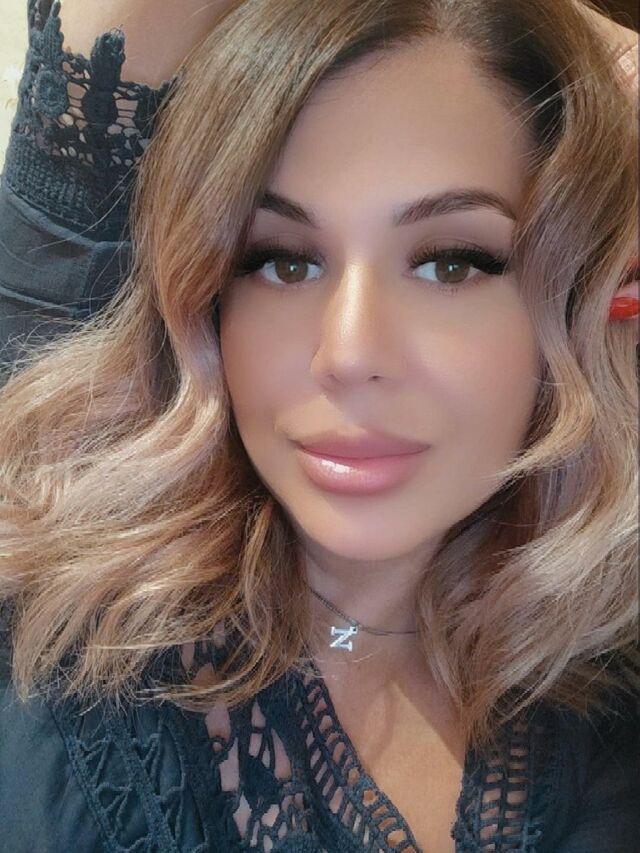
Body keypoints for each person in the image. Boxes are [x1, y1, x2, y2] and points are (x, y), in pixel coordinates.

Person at [0, 0, 638, 850]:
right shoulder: (55, 587)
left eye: (451, 263)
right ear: (207, 298)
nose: (349, 353)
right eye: (282, 261)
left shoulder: (609, 696)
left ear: (577, 297)